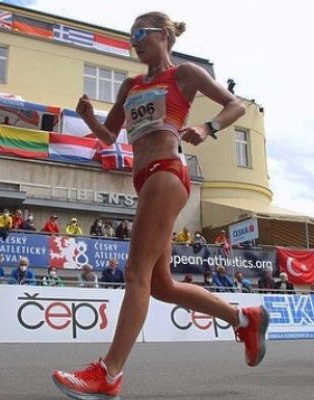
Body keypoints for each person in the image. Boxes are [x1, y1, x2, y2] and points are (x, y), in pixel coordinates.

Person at [52, 12, 267, 399]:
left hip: (168, 172)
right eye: (130, 35)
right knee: (162, 286)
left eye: (141, 33)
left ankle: (109, 373)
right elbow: (109, 137)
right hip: (145, 177)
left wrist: (207, 128)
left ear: (164, 35)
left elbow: (236, 105)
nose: (134, 41)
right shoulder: (130, 85)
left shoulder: (185, 74)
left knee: (136, 273)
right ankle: (244, 318)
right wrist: (88, 119)